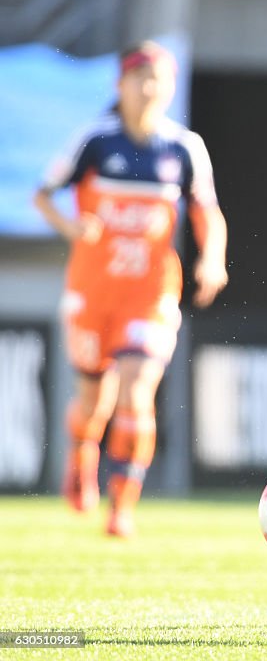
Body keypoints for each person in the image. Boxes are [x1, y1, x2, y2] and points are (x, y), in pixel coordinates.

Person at [34, 41, 228, 537]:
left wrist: (212, 258)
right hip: (94, 291)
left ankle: (122, 505)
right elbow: (44, 194)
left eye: (159, 80)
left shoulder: (184, 147)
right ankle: (82, 453)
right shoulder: (95, 141)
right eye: (140, 79)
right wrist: (72, 228)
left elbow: (207, 211)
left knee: (137, 390)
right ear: (120, 85)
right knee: (93, 400)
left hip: (151, 292)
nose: (149, 89)